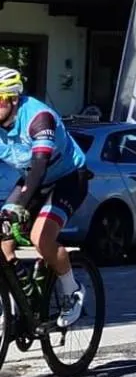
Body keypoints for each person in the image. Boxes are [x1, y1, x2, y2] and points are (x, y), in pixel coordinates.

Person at [0, 67, 90, 327]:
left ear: (13, 99)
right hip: (32, 178)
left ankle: (72, 291)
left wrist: (19, 208)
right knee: (3, 242)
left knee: (41, 237)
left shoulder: (39, 118)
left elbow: (40, 166)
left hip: (68, 178)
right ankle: (21, 303)